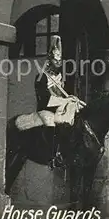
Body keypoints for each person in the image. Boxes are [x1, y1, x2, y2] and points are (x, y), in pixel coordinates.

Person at [34, 35, 85, 167]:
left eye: (59, 61)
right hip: (45, 109)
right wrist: (64, 101)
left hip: (58, 108)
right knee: (51, 124)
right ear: (49, 60)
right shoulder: (41, 77)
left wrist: (69, 99)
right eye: (55, 61)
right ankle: (52, 156)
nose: (57, 64)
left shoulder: (60, 77)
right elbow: (44, 99)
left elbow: (63, 95)